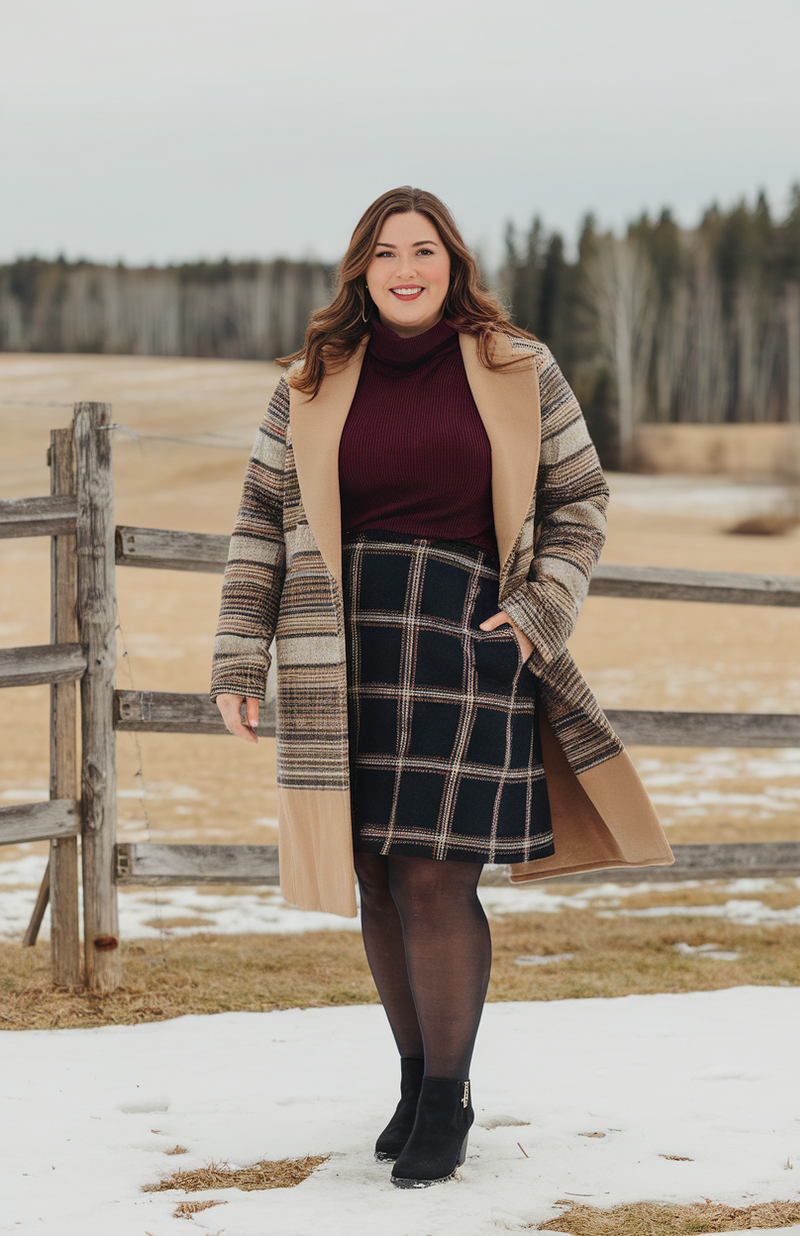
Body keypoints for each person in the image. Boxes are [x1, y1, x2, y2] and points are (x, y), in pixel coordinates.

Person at [211, 186, 672, 1188]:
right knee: (373, 869)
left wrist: (542, 608)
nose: (405, 268)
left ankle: (451, 1095)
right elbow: (258, 522)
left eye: (423, 250)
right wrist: (238, 658)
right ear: (360, 270)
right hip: (340, 649)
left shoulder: (515, 366)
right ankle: (414, 1080)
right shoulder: (311, 381)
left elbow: (579, 496)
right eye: (385, 253)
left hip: (465, 642)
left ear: (451, 263)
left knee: (432, 870)